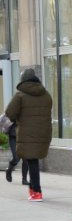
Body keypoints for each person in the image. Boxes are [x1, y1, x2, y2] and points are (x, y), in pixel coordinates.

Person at [4, 69, 53, 201]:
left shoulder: (20, 95)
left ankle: (37, 191)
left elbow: (10, 113)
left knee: (32, 161)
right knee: (33, 159)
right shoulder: (46, 94)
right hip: (44, 132)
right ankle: (32, 189)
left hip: (27, 132)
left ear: (23, 80)